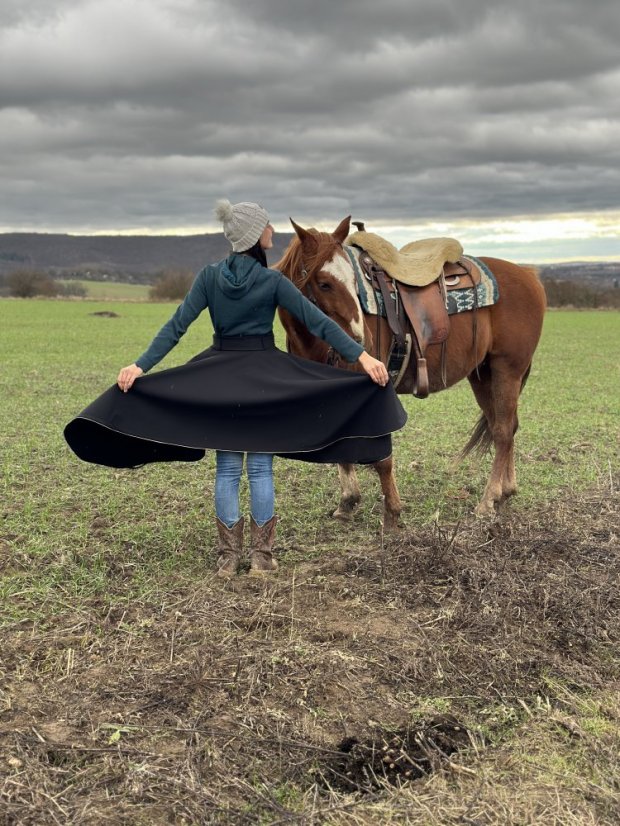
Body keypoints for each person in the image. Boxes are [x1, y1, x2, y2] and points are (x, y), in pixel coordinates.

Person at [64, 200, 407, 578]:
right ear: (254, 236)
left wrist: (140, 365)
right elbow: (321, 323)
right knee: (260, 468)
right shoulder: (273, 280)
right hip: (265, 378)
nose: (272, 231)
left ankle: (227, 558)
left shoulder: (209, 277)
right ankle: (262, 558)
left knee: (227, 469)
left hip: (221, 378)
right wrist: (363, 358)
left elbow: (176, 327)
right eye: (267, 226)